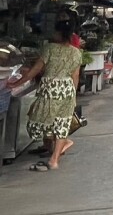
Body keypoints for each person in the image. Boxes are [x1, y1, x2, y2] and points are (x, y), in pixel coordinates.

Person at [6, 21, 81, 171]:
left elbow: (35, 69)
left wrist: (18, 82)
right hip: (66, 89)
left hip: (50, 89)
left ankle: (53, 155)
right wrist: (73, 94)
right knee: (61, 124)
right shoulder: (76, 52)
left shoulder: (49, 48)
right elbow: (75, 76)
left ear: (59, 33)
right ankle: (55, 157)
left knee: (39, 121)